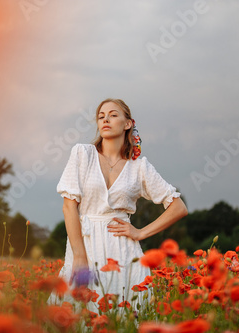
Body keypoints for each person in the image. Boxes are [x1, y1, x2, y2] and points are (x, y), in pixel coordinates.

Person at [48, 98, 188, 313]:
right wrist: (79, 256)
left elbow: (178, 207)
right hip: (85, 245)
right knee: (76, 314)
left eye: (113, 115)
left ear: (128, 124)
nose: (105, 119)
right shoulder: (83, 154)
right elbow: (69, 207)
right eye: (101, 116)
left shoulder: (139, 166)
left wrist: (140, 232)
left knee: (122, 315)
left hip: (123, 251)